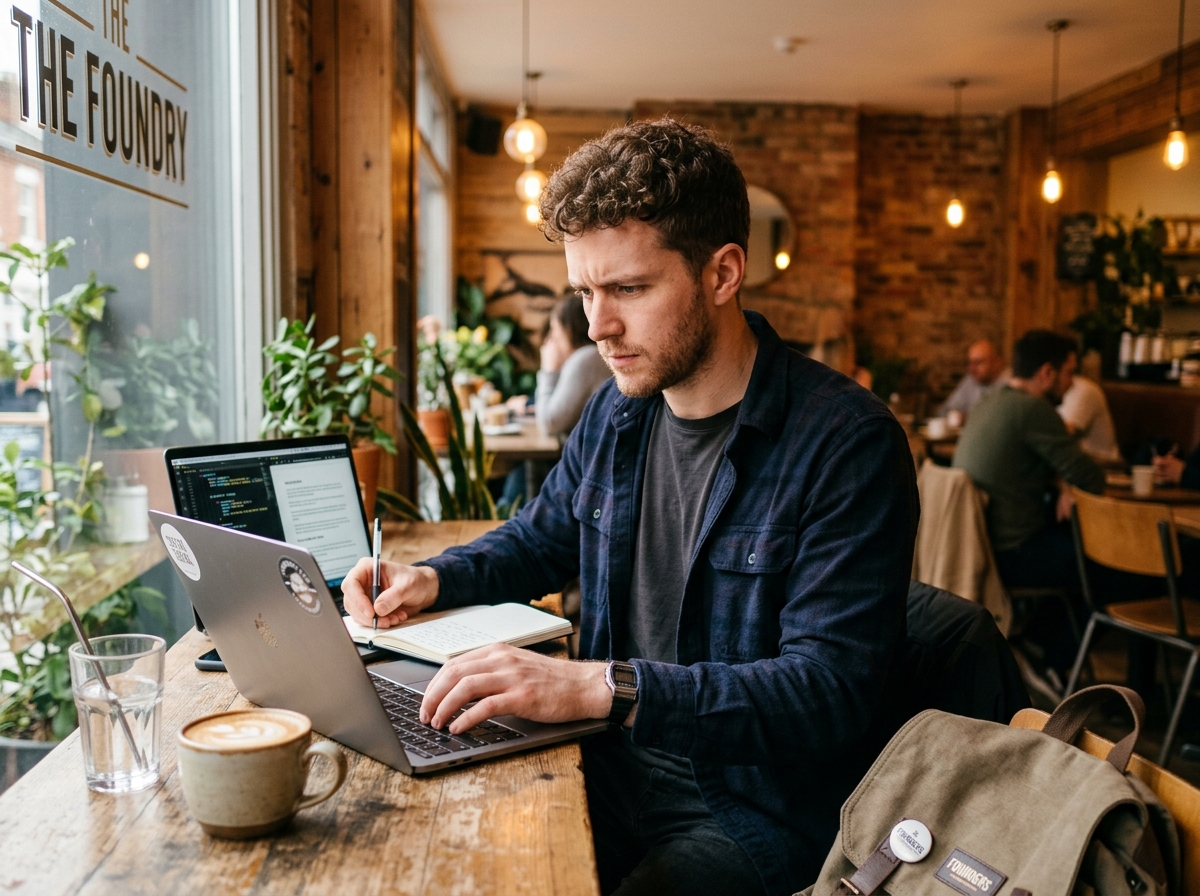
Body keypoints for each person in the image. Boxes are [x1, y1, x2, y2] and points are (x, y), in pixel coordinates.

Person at [343, 119, 919, 896]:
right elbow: (543, 537)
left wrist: (598, 687)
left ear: (723, 273)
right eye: (584, 290)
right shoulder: (620, 413)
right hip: (604, 756)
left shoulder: (846, 443)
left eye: (628, 289)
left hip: (753, 806)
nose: (597, 327)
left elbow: (827, 690)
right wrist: (431, 579)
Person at [953, 330, 1104, 591]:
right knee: (1107, 565)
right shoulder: (1034, 409)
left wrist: (1062, 484)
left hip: (976, 548)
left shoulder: (989, 400)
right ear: (1047, 373)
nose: (1071, 384)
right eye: (1069, 373)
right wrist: (1067, 482)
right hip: (1015, 554)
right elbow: (1092, 478)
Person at [535, 294, 611, 438]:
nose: (551, 338)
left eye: (554, 329)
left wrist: (549, 370)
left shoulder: (585, 358)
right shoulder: (591, 356)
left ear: (568, 329)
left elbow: (549, 424)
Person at [1057, 374, 1122, 464]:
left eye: (1071, 372)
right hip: (1074, 466)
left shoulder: (1083, 390)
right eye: (1069, 372)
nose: (1072, 382)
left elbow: (1060, 435)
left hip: (1106, 467)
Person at [939, 339, 1010, 418]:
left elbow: (1004, 418)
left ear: (997, 363)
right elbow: (945, 410)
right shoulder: (971, 380)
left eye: (979, 362)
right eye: (970, 362)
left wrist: (968, 417)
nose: (972, 368)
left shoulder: (1011, 384)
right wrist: (955, 416)